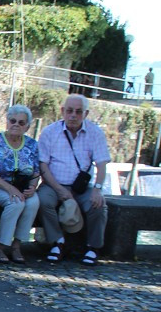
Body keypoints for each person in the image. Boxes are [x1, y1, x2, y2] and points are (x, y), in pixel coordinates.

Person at [36, 94, 110, 266]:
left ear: (86, 113)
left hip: (81, 186)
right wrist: (60, 189)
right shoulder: (50, 132)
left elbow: (102, 164)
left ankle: (93, 246)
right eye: (69, 111)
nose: (73, 115)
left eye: (78, 112)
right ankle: (57, 241)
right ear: (62, 111)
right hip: (54, 184)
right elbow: (43, 166)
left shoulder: (95, 132)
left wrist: (98, 189)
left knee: (98, 205)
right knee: (43, 200)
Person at [0, 105, 41, 264]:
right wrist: (10, 189)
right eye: (13, 121)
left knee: (33, 202)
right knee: (16, 202)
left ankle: (16, 245)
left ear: (27, 126)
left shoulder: (32, 144)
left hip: (22, 186)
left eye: (21, 122)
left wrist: (33, 187)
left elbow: (36, 171)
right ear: (7, 122)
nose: (16, 125)